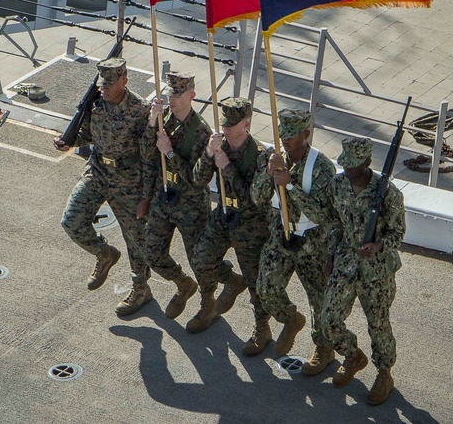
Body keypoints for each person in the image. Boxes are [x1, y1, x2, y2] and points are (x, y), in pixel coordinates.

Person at [55, 57, 154, 316]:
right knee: (71, 221)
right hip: (97, 171)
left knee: (137, 240)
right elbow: (87, 133)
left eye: (110, 83)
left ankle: (141, 289)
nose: (105, 88)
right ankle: (104, 253)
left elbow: (150, 156)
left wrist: (146, 196)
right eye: (102, 83)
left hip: (129, 181)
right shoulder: (95, 103)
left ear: (124, 80)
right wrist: (69, 141)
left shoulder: (140, 110)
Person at [318, 136, 406, 406]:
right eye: (345, 165)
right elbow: (334, 223)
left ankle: (384, 373)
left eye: (354, 166)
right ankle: (352, 355)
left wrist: (379, 245)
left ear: (368, 163)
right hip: (345, 262)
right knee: (328, 320)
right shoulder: (338, 185)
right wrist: (331, 254)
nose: (348, 170)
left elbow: (399, 232)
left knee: (378, 325)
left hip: (376, 271)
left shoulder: (388, 193)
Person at [251, 108, 338, 367]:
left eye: (292, 136)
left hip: (313, 239)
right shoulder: (273, 156)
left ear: (306, 134)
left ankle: (324, 348)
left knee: (319, 298)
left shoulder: (321, 167)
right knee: (266, 287)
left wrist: (290, 184)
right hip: (284, 232)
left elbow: (323, 214)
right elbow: (257, 198)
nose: (286, 142)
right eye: (282, 135)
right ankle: (290, 318)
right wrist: (268, 174)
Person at [188, 97, 270, 353]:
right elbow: (198, 180)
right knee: (201, 258)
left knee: (255, 280)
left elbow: (253, 198)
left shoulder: (260, 156)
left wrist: (228, 167)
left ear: (246, 123)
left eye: (232, 125)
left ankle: (262, 327)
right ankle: (213, 299)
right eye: (224, 123)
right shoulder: (219, 145)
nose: (226, 129)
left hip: (250, 224)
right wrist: (209, 154)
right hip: (224, 216)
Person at [140, 72, 212, 321]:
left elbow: (196, 179)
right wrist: (152, 122)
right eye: (170, 93)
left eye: (178, 94)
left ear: (191, 95)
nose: (172, 99)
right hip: (164, 197)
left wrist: (170, 153)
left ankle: (207, 304)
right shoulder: (163, 121)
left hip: (190, 204)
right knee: (152, 253)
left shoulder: (202, 131)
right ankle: (183, 284)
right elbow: (147, 154)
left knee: (198, 259)